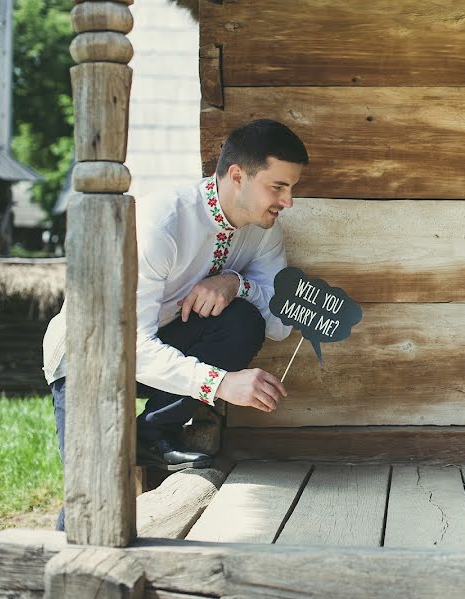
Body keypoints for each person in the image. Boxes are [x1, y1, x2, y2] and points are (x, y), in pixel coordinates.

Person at [42, 119, 308, 531]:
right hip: (91, 357)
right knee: (92, 501)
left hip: (162, 347)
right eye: (278, 187)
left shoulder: (263, 232)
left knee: (243, 321)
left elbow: (277, 325)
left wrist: (235, 283)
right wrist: (220, 385)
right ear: (237, 176)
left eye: (291, 188)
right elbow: (131, 345)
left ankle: (151, 434)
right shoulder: (162, 223)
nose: (287, 202)